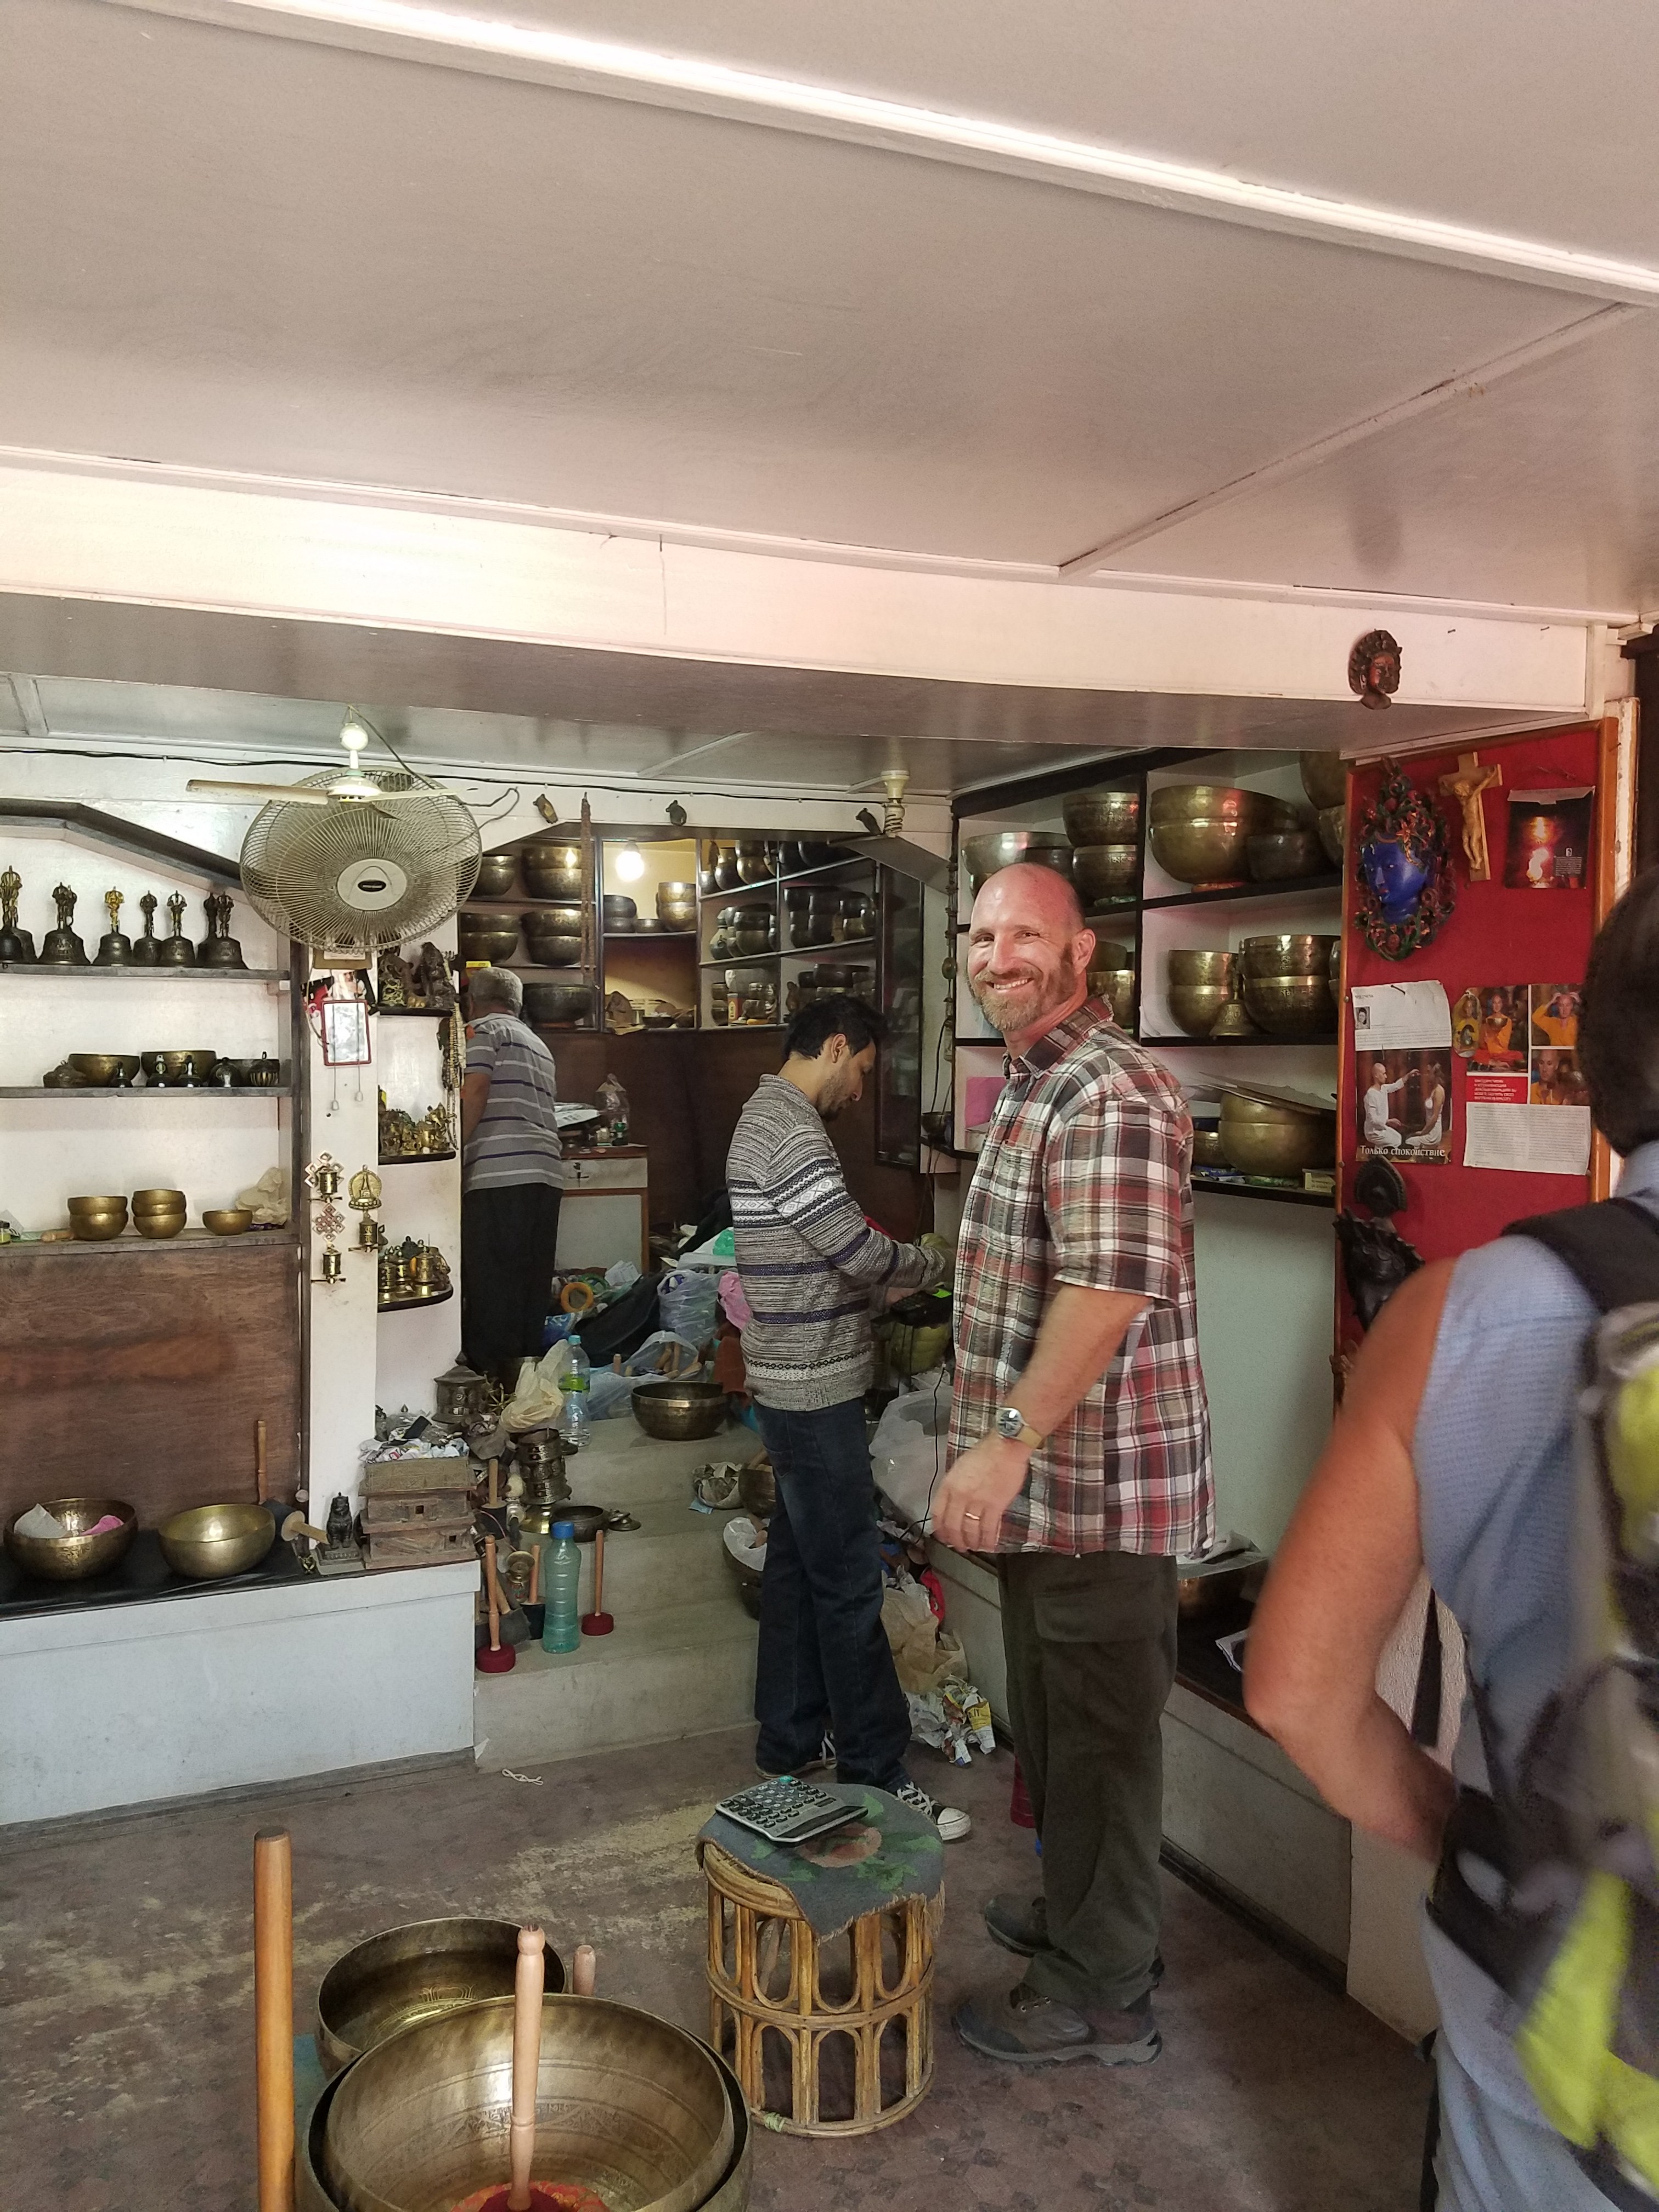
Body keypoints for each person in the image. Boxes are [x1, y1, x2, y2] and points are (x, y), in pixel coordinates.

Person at [1243, 874, 1659, 2210]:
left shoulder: (1464, 1315)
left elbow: (1296, 1690)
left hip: (1554, 2049)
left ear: (1601, 1066)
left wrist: (1480, 1840)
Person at [935, 864, 1214, 2067]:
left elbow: (1104, 1291)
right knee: (1055, 1728)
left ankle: (1102, 1991)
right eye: (981, 936)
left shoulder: (1110, 1090)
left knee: (1100, 1743)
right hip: (1052, 1495)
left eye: (1025, 936)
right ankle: (1082, 1919)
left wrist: (1004, 1445)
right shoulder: (1037, 1082)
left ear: (1082, 950)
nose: (997, 957)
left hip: (1099, 1491)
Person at [726, 992, 969, 1843]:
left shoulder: (766, 1115)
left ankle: (790, 1739)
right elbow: (856, 1251)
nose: (861, 1091)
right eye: (862, 1071)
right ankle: (877, 1769)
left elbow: (829, 1248)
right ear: (836, 1047)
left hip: (789, 1381)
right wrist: (933, 1261)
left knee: (798, 1569)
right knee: (850, 1583)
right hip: (810, 1389)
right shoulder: (791, 1129)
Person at [459, 966, 563, 1384]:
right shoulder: (539, 1044)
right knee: (529, 1289)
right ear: (517, 1005)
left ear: (471, 1001)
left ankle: (490, 1388)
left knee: (492, 1287)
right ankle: (523, 1388)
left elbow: (476, 1089)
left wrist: (454, 1151)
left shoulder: (482, 1031)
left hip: (498, 1176)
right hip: (546, 1176)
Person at [1363, 1057, 1407, 1147]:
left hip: (1381, 1128)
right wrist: (1389, 1122)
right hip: (1373, 1132)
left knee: (1398, 1137)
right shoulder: (1371, 1095)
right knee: (1396, 1141)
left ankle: (1379, 1150)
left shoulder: (1383, 1089)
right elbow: (1373, 1120)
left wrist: (1409, 1075)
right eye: (1384, 1074)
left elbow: (1396, 1086)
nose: (1386, 1077)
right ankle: (1380, 1152)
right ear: (1376, 1075)